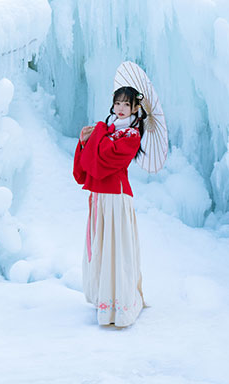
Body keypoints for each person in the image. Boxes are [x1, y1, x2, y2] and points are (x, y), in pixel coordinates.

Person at [73, 85, 146, 327]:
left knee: (117, 250)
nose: (121, 109)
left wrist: (99, 133)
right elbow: (87, 165)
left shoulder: (131, 136)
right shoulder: (109, 131)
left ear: (136, 108)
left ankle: (120, 306)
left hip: (116, 197)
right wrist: (85, 141)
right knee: (102, 248)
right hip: (100, 197)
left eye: (127, 104)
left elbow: (106, 157)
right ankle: (103, 298)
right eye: (118, 104)